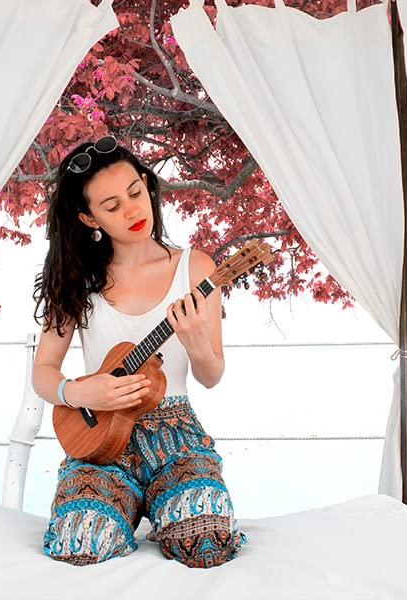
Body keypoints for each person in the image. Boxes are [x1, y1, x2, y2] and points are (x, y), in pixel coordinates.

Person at [32, 135, 245, 569]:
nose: (132, 211)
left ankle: (163, 513)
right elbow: (43, 372)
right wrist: (81, 392)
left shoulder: (196, 269)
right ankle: (126, 511)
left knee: (207, 543)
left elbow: (211, 375)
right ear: (88, 218)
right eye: (112, 206)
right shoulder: (76, 279)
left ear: (148, 186)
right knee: (80, 543)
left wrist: (196, 344)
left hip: (178, 439)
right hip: (100, 442)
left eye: (135, 193)